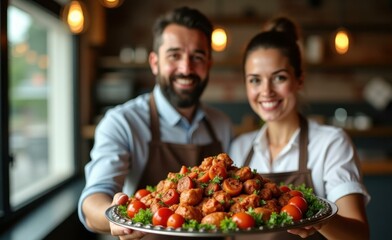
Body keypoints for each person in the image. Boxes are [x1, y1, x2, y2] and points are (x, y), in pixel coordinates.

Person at [78, 6, 233, 239]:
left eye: (197, 57)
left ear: (208, 63)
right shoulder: (122, 122)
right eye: (174, 55)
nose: (186, 68)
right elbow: (94, 199)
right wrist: (117, 218)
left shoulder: (221, 124)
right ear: (154, 62)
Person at [229, 17, 370, 240]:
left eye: (279, 78)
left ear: (299, 79)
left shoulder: (330, 143)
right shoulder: (239, 148)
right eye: (255, 80)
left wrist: (315, 216)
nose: (266, 91)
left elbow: (358, 235)